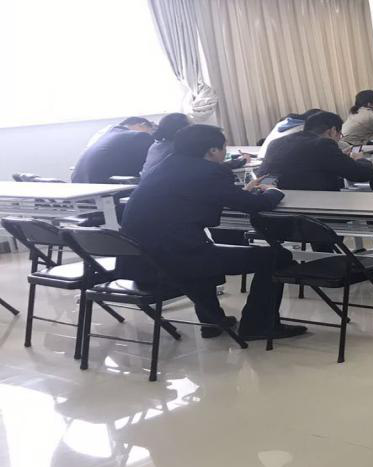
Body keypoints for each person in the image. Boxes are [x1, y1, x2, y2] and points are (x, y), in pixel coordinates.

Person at [117, 124, 305, 340]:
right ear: (212, 150)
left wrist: (237, 194)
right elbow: (255, 205)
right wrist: (274, 191)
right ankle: (258, 326)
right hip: (174, 261)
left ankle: (212, 322)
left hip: (139, 263)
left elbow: (192, 203)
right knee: (276, 256)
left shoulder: (164, 166)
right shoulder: (210, 171)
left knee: (201, 250)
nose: (224, 152)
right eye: (224, 147)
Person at [258, 111, 373, 257]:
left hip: (279, 212)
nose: (338, 139)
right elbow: (362, 174)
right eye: (339, 135)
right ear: (332, 130)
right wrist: (359, 159)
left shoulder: (276, 143)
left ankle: (325, 255)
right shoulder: (322, 144)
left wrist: (340, 158)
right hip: (320, 213)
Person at [142, 113, 249, 177]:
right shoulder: (179, 148)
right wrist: (239, 162)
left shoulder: (156, 146)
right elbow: (205, 169)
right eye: (193, 126)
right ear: (184, 130)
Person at [71, 116, 156, 183]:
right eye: (150, 131)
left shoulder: (105, 136)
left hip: (79, 184)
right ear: (142, 125)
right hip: (105, 188)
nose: (151, 135)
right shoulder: (139, 136)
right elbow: (151, 164)